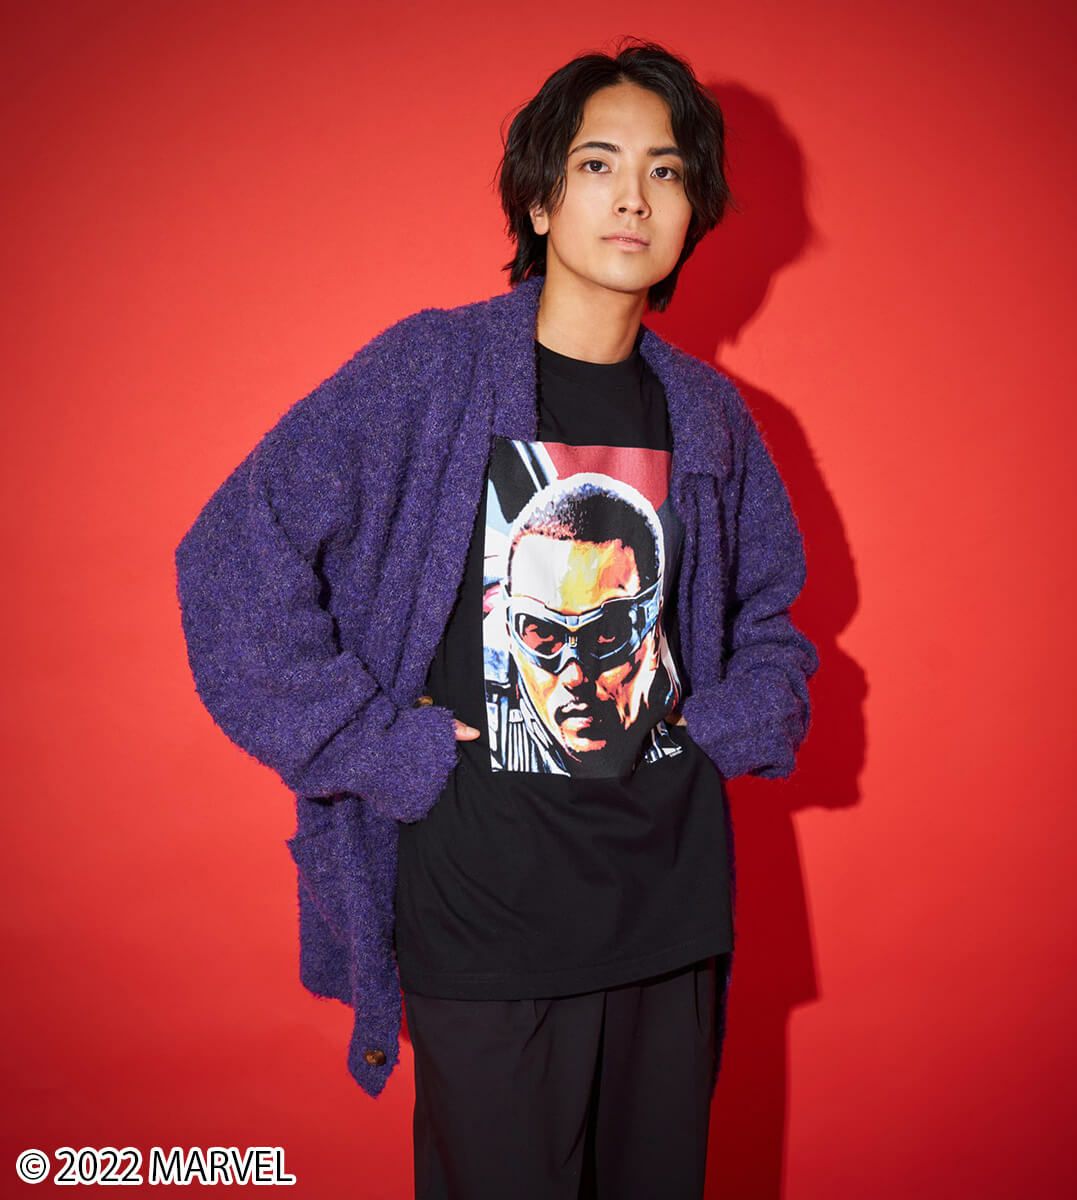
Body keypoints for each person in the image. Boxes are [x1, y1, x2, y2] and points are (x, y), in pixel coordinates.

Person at [174, 35, 817, 1200]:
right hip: (486, 912)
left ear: (694, 211)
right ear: (539, 198)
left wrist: (727, 723)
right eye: (598, 164)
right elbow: (231, 560)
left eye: (666, 172)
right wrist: (373, 744)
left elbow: (773, 612)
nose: (634, 197)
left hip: (669, 910)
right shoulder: (432, 371)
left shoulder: (711, 414)